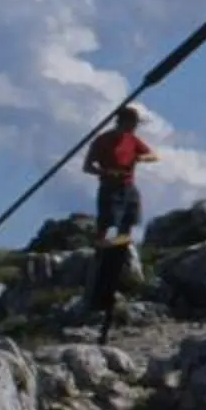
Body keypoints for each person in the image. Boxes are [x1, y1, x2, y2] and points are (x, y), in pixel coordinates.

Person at [79, 104, 158, 340]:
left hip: (128, 187)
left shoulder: (132, 140)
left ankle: (121, 256)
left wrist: (140, 157)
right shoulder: (103, 140)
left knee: (128, 224)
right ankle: (104, 260)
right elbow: (87, 167)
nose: (134, 128)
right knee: (108, 227)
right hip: (110, 188)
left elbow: (153, 155)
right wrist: (105, 173)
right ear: (122, 121)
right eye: (132, 123)